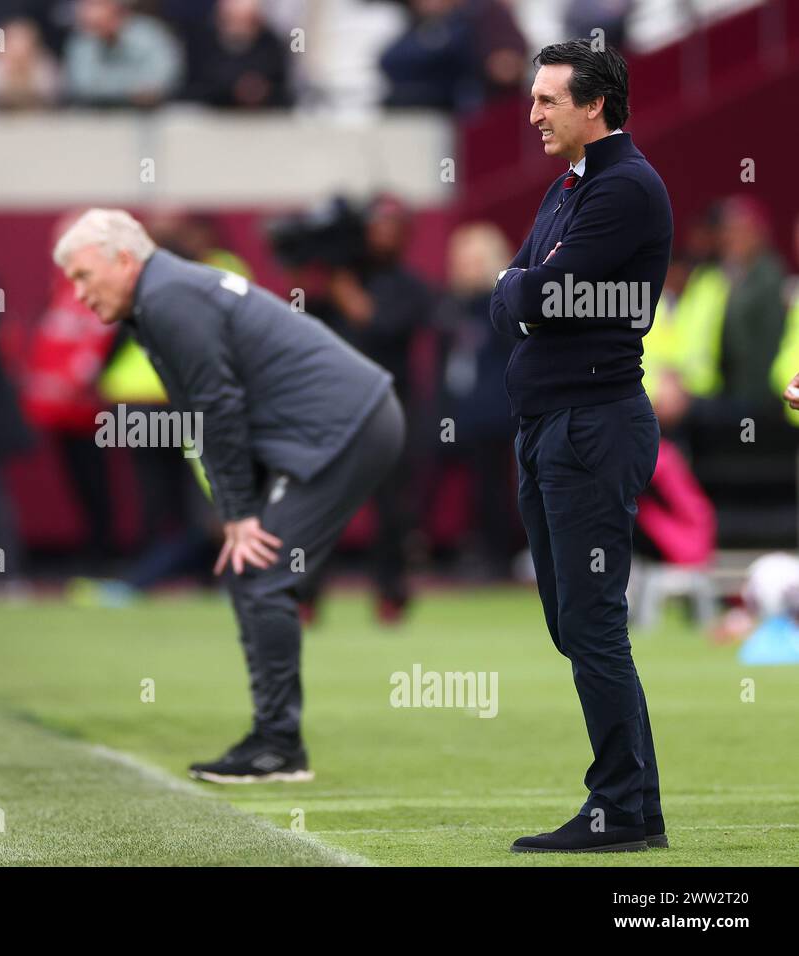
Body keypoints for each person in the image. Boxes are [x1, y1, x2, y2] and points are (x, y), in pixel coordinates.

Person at [53, 209, 403, 783]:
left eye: (84, 276)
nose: (80, 294)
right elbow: (209, 411)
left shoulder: (167, 297)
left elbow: (216, 407)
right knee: (250, 570)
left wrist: (239, 513)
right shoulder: (162, 293)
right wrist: (234, 508)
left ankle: (278, 747)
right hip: (331, 426)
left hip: (344, 427)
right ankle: (274, 740)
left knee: (260, 571)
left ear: (122, 260)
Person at [489, 40, 672, 852]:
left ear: (593, 104)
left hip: (592, 426)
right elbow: (517, 292)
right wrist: (524, 292)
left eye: (546, 101)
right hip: (551, 428)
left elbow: (539, 292)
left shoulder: (625, 188)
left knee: (591, 622)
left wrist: (523, 292)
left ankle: (620, 808)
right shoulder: (572, 187)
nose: (532, 115)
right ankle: (635, 805)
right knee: (574, 623)